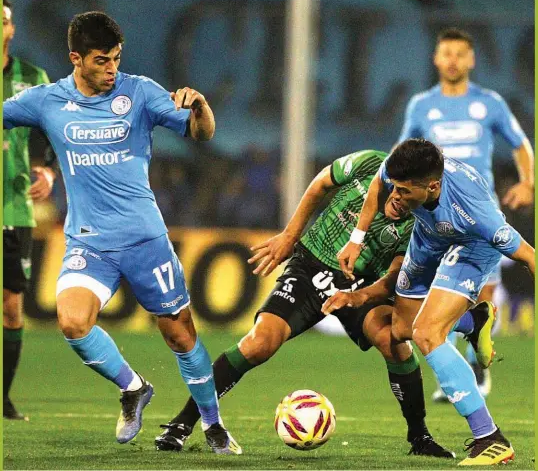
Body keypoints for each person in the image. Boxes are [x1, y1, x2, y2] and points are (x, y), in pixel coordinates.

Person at [3, 11, 241, 454]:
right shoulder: (47, 101)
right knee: (72, 322)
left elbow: (200, 133)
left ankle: (212, 424)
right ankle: (133, 388)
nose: (112, 69)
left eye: (116, 59)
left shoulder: (140, 92)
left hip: (145, 239)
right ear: (75, 58)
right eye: (101, 61)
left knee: (180, 334)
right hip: (88, 242)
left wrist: (202, 108)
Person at [155, 149, 473, 459]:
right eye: (397, 190)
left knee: (394, 341)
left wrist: (358, 296)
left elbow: (392, 280)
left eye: (408, 196)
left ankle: (419, 436)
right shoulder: (369, 164)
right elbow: (321, 182)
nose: (400, 200)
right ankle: (182, 423)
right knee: (260, 343)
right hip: (311, 266)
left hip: (363, 284)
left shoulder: (423, 225)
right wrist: (290, 236)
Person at [336, 139, 535, 465]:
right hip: (429, 236)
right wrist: (356, 240)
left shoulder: (477, 215)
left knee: (428, 333)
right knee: (401, 328)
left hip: (471, 246)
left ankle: (490, 438)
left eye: (403, 192)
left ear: (432, 186)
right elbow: (379, 182)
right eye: (395, 189)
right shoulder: (404, 171)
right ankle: (473, 321)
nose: (395, 196)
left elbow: (529, 256)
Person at [398, 28, 534, 400]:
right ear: (436, 59)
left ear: (471, 59)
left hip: (478, 212)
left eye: (461, 53)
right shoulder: (421, 106)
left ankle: (478, 372)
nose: (454, 60)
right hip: (431, 215)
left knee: (479, 293)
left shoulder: (489, 103)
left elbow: (521, 144)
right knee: (428, 295)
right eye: (447, 53)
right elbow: (401, 153)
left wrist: (528, 182)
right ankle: (454, 366)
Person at [3, 0, 57, 421]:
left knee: (11, 306)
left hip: (14, 207)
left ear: (12, 28)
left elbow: (54, 130)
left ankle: (2, 398)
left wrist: (48, 170)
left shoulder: (32, 78)